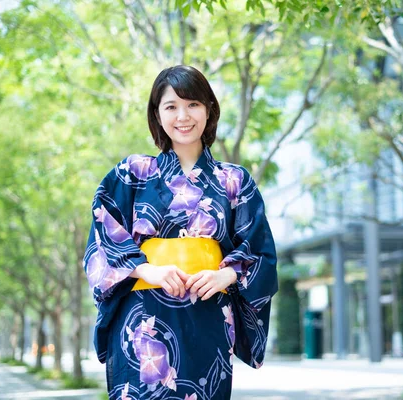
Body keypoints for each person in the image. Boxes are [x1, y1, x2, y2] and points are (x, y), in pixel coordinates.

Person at [84, 65, 278, 400]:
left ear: (209, 110)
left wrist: (226, 276)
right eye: (170, 106)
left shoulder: (234, 181)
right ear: (157, 115)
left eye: (193, 104)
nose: (182, 116)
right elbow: (104, 235)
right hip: (142, 318)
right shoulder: (132, 173)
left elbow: (260, 249)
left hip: (207, 314)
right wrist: (149, 270)